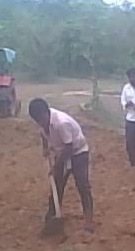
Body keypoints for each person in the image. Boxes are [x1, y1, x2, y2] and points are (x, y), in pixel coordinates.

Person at [28, 98, 94, 233]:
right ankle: (52, 215)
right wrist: (45, 148)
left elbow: (69, 147)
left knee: (82, 185)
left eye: (41, 120)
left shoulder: (61, 123)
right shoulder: (42, 122)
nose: (40, 123)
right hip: (62, 152)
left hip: (78, 153)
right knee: (57, 185)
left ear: (46, 113)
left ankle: (89, 220)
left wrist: (56, 167)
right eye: (37, 121)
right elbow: (43, 134)